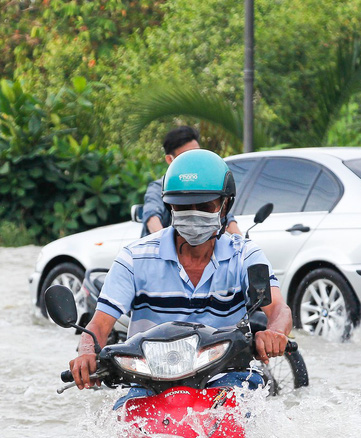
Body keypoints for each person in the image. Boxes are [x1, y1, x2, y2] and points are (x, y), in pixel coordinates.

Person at [70, 148, 291, 394]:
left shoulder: (245, 255)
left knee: (237, 418)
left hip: (226, 380)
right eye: (183, 206)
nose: (193, 214)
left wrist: (275, 332)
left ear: (225, 204)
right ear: (170, 207)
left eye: (205, 206)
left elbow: (279, 309)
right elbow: (99, 325)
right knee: (124, 424)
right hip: (148, 382)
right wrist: (87, 351)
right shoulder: (134, 258)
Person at [141, 125, 240, 236]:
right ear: (169, 159)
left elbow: (228, 220)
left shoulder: (206, 186)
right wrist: (165, 243)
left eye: (197, 154)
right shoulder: (158, 188)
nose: (194, 161)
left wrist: (242, 243)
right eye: (186, 156)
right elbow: (152, 217)